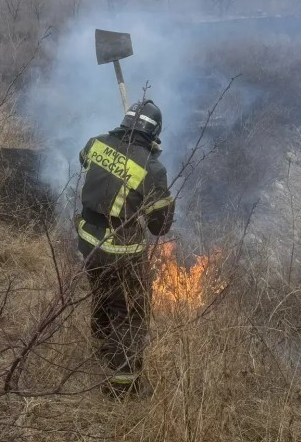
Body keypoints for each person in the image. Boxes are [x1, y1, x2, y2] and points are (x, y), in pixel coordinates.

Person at [77, 99, 175, 399]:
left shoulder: (96, 143)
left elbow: (85, 160)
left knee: (103, 294)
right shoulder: (153, 169)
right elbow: (160, 227)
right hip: (122, 252)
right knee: (130, 312)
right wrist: (150, 165)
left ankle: (104, 348)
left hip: (88, 243)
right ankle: (123, 387)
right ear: (155, 133)